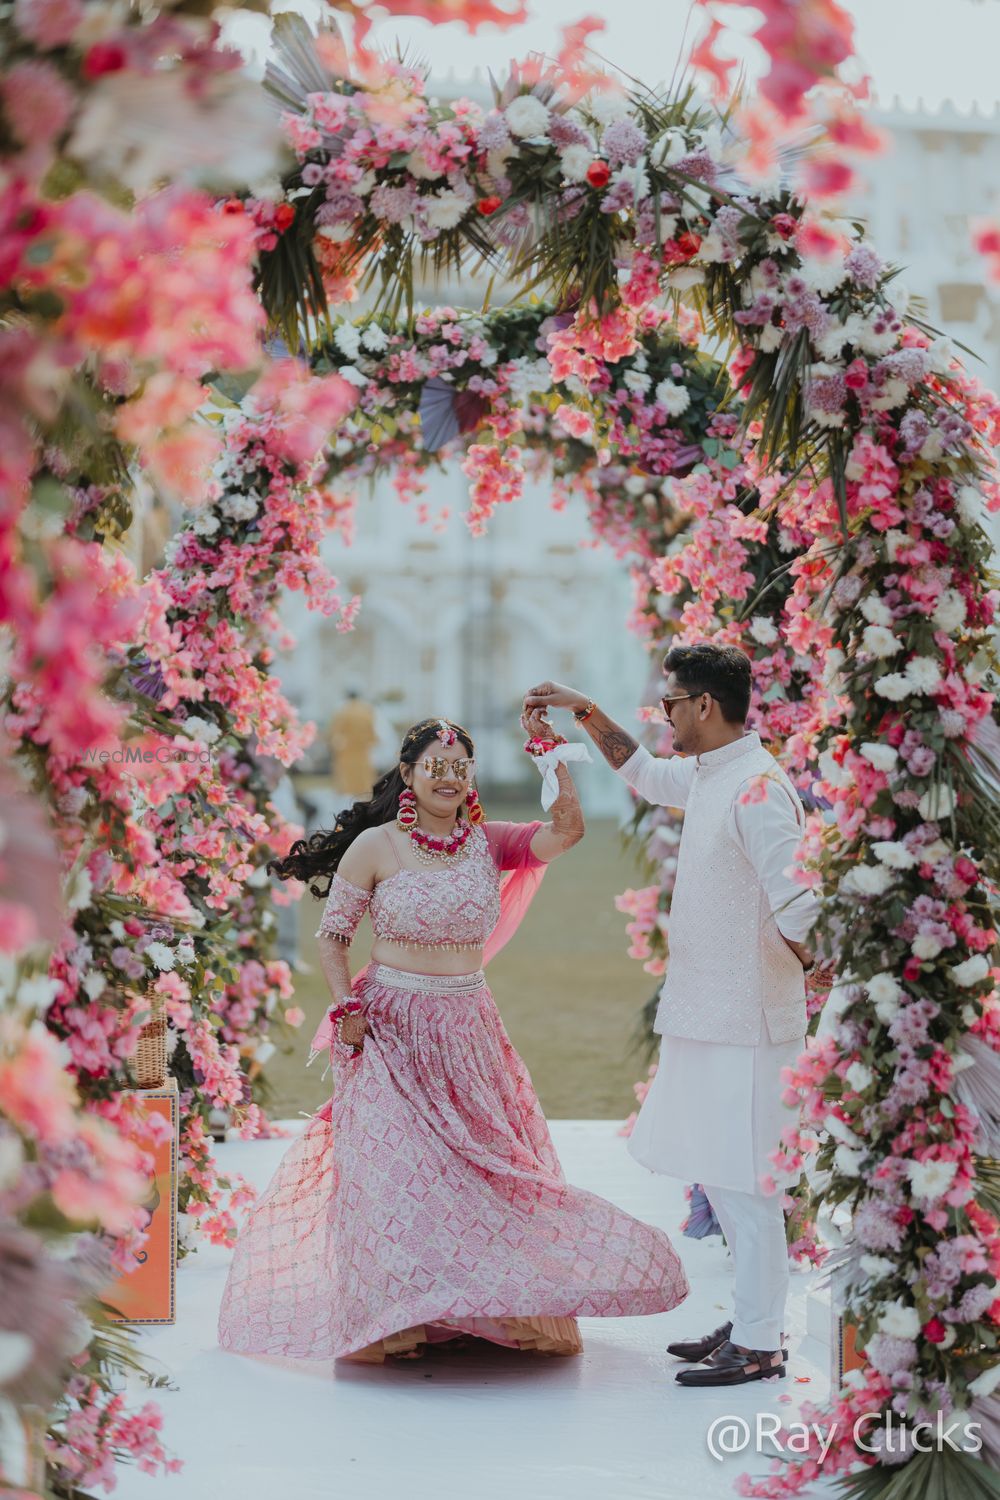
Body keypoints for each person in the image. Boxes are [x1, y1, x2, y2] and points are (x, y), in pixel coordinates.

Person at [217, 714, 689, 1364]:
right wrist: (345, 1005)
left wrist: (552, 761)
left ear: (469, 776)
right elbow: (332, 936)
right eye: (433, 766)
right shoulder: (376, 846)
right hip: (389, 1030)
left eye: (458, 766)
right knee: (400, 1172)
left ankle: (485, 1308)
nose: (447, 777)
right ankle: (398, 1316)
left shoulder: (487, 843)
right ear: (408, 774)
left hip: (468, 1030)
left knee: (485, 1170)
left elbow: (566, 832)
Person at [525, 645, 834, 1387]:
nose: (664, 718)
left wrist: (809, 960)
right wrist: (581, 708)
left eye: (670, 705)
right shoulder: (709, 775)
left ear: (703, 705)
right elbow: (640, 771)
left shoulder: (758, 790)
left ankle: (761, 1342)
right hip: (705, 1010)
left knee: (749, 1178)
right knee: (723, 1174)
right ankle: (753, 1317)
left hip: (749, 1019)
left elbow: (797, 899)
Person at [328, 690, 377, 800]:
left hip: (347, 751)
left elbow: (335, 732)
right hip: (362, 751)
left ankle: (346, 801)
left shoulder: (343, 711)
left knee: (347, 779)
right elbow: (372, 733)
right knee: (362, 778)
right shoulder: (367, 711)